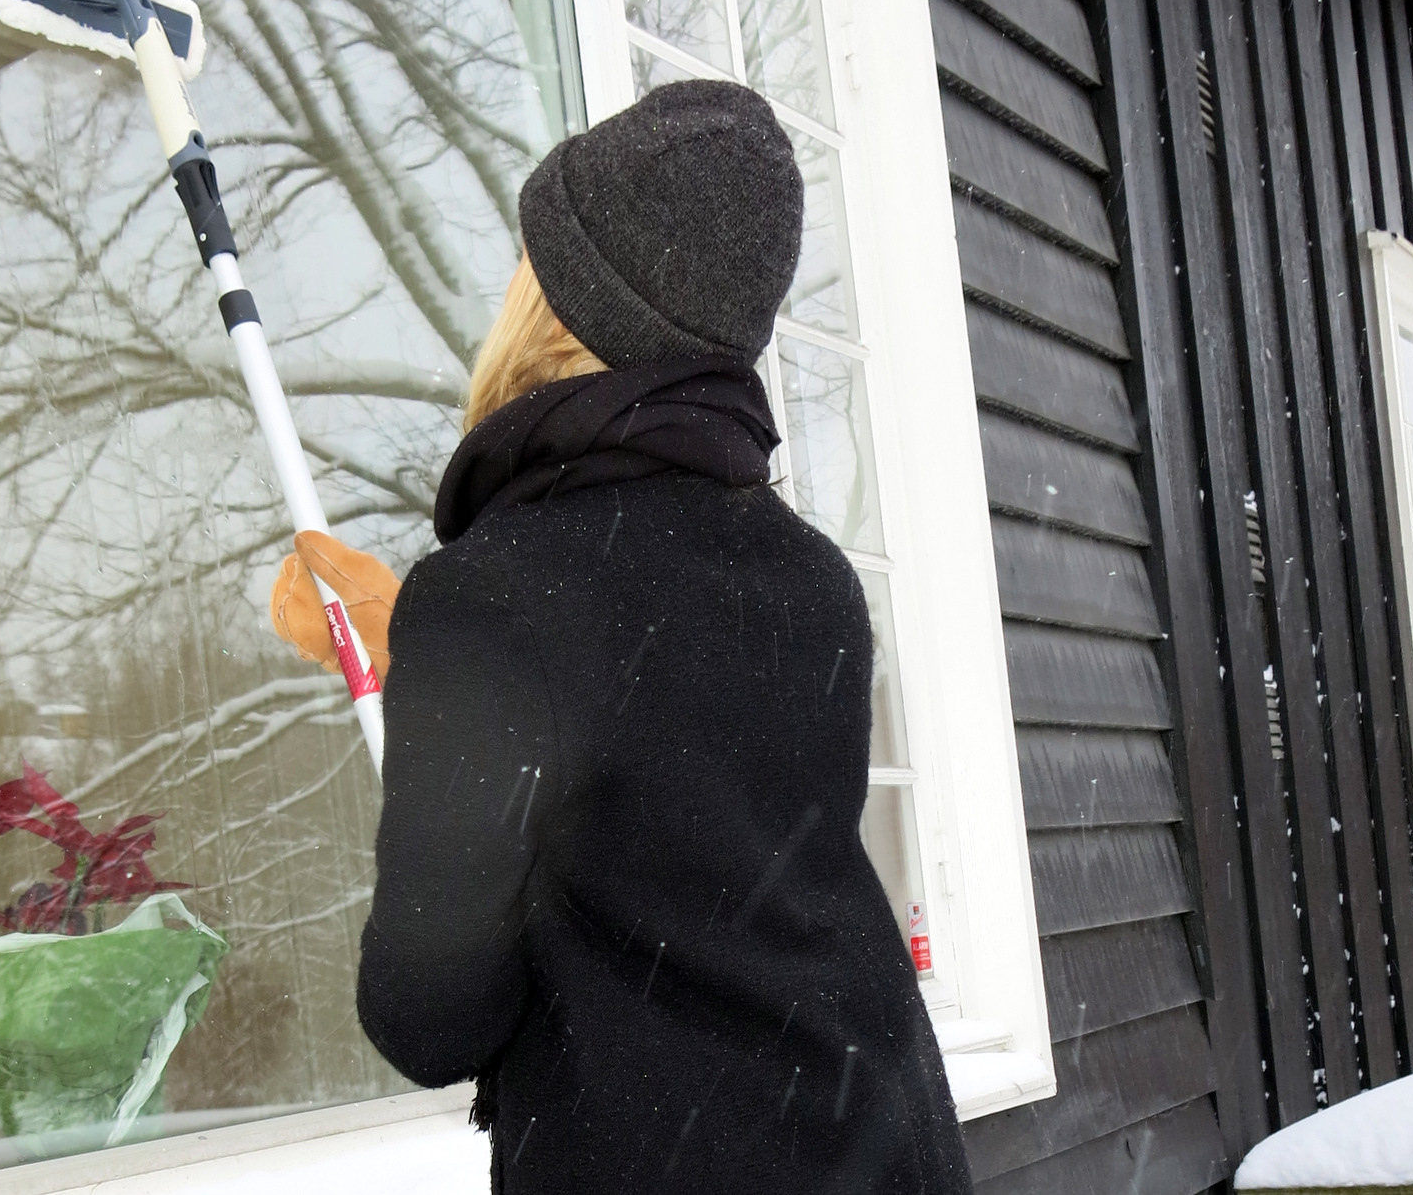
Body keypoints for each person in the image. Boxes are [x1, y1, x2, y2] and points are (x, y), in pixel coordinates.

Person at [269, 79, 970, 1191]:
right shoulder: (811, 578)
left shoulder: (496, 599)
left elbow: (430, 1019)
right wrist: (427, 669)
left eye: (526, 258)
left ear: (558, 306)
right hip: (886, 1146)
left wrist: (445, 680)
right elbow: (675, 803)